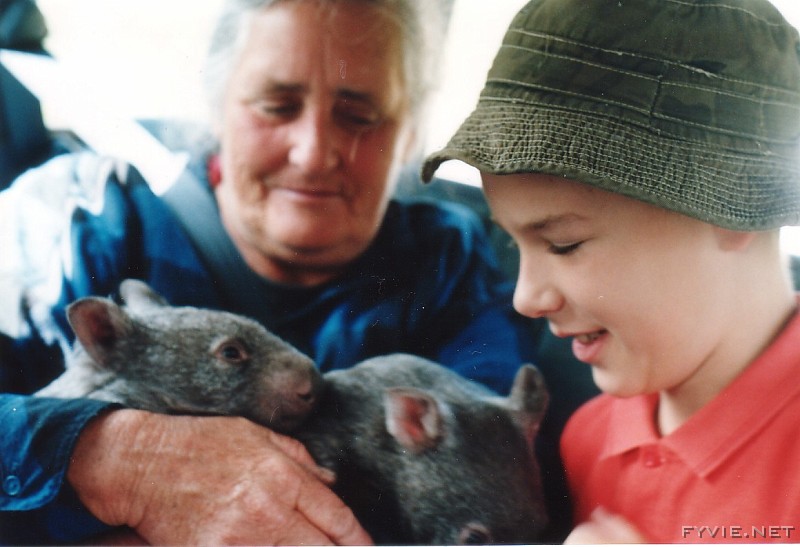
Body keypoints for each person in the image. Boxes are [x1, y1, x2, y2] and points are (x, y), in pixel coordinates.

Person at [0, 0, 545, 544]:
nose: (312, 153)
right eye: (276, 105)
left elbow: (488, 472)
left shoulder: (446, 261)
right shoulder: (78, 227)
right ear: (217, 107)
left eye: (359, 116)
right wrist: (112, 456)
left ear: (409, 134)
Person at [423, 0, 800, 543]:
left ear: (731, 207)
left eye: (564, 244)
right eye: (515, 242)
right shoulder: (587, 440)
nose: (526, 298)